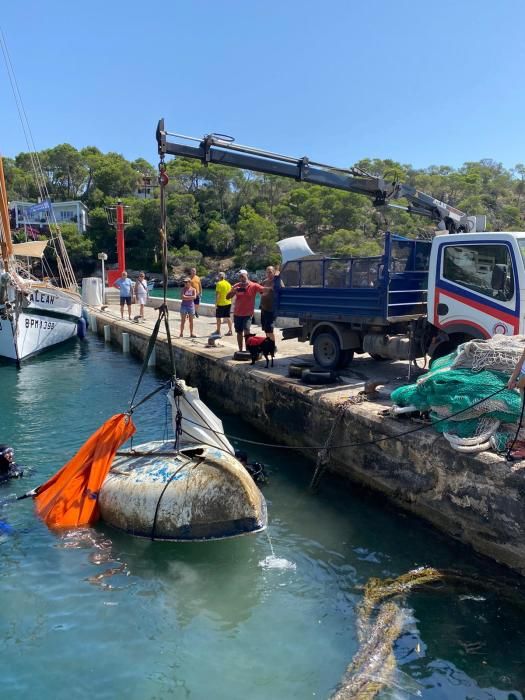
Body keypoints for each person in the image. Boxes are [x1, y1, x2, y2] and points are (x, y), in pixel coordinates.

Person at [226, 270, 265, 352]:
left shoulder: (253, 285)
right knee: (239, 332)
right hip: (237, 313)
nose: (242, 278)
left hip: (248, 314)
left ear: (247, 276)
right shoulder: (237, 285)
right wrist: (234, 291)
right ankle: (240, 349)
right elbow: (227, 297)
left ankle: (248, 350)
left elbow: (263, 290)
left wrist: (273, 289)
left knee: (247, 330)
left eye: (243, 276)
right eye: (240, 277)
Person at [260, 265, 282, 344]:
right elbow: (260, 290)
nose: (269, 274)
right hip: (263, 308)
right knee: (265, 329)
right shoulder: (264, 281)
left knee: (270, 329)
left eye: (270, 272)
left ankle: (273, 346)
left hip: (272, 309)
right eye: (267, 272)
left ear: (273, 272)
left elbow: (282, 289)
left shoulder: (277, 281)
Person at [215, 272, 233, 336]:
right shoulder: (228, 284)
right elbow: (231, 293)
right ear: (224, 277)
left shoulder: (219, 284)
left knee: (218, 317)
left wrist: (216, 304)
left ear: (219, 277)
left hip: (221, 303)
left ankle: (218, 331)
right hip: (228, 302)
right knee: (228, 317)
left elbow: (217, 295)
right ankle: (230, 331)